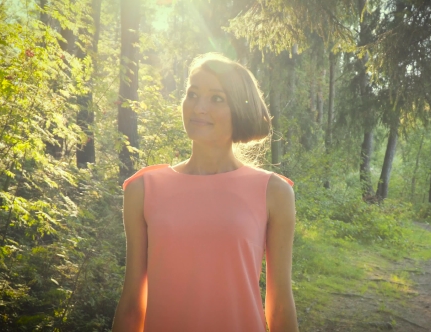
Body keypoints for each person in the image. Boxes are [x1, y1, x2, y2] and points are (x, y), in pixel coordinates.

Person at [112, 53, 299, 332]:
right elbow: (132, 305)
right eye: (192, 94)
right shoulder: (143, 189)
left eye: (216, 98)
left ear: (240, 109)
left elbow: (280, 307)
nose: (198, 107)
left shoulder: (274, 192)